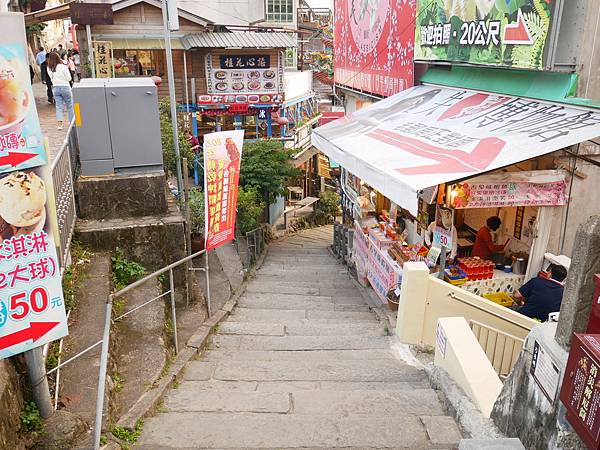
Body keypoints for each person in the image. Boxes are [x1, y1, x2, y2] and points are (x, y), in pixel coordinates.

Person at [47, 52, 74, 130]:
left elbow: (51, 79)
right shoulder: (63, 67)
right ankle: (72, 123)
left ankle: (60, 125)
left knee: (59, 107)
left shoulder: (49, 68)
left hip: (55, 88)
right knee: (69, 106)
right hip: (65, 87)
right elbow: (69, 78)